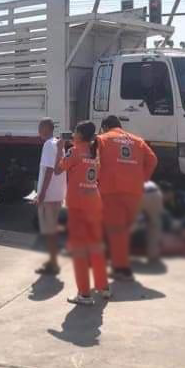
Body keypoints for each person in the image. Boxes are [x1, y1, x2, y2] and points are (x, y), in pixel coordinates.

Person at [54, 120, 111, 305]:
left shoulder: (74, 151)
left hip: (78, 205)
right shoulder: (95, 153)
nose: (73, 134)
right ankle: (103, 286)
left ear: (79, 134)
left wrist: (60, 149)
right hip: (94, 202)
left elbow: (58, 169)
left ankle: (84, 294)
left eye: (75, 131)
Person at [97, 115, 158, 281]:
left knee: (116, 231)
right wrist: (142, 179)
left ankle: (122, 269)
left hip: (112, 191)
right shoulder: (137, 141)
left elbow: (92, 162)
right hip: (134, 193)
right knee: (123, 231)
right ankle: (120, 264)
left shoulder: (102, 139)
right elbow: (153, 160)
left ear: (105, 127)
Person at [34, 117, 66, 275]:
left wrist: (41, 195)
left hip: (49, 195)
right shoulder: (58, 144)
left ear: (45, 128)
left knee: (49, 231)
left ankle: (53, 263)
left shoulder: (48, 145)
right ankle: (52, 260)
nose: (38, 130)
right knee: (52, 229)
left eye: (40, 127)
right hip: (58, 193)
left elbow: (48, 171)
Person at [140, 181, 164, 264]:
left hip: (138, 193)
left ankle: (119, 258)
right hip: (155, 193)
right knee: (154, 226)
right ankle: (153, 256)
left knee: (125, 226)